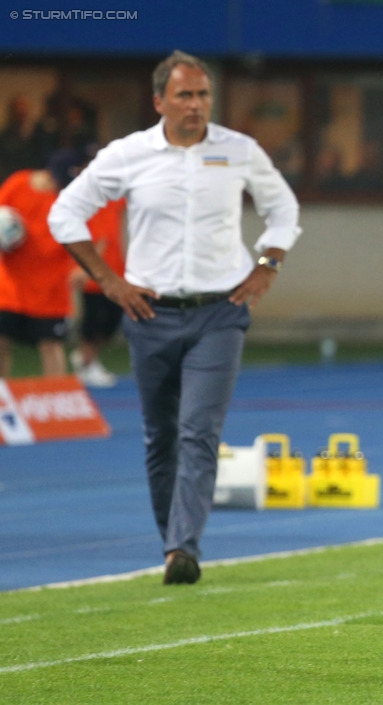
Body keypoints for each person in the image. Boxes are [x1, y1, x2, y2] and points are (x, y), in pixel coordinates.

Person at [49, 50, 301, 585]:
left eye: (203, 94)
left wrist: (267, 266)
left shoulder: (238, 150)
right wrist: (109, 282)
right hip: (149, 312)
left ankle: (183, 548)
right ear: (159, 100)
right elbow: (64, 213)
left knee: (198, 431)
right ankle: (174, 543)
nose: (195, 105)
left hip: (220, 312)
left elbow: (284, 210)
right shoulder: (128, 154)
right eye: (184, 95)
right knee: (159, 435)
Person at [0, 148, 90, 378]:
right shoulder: (18, 183)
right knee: (2, 342)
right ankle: (3, 401)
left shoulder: (68, 201)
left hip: (50, 288)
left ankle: (55, 404)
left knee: (51, 345)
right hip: (10, 286)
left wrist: (81, 267)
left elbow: (85, 236)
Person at [69, 194, 126, 388]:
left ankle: (85, 359)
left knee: (112, 320)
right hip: (95, 275)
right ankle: (87, 363)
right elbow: (100, 238)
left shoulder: (116, 200)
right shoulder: (88, 202)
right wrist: (87, 268)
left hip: (116, 271)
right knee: (93, 322)